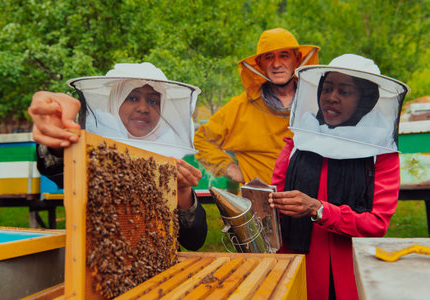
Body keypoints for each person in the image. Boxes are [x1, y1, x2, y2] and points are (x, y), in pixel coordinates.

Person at [269, 54, 409, 300]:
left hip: (349, 273)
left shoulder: (381, 154)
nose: (331, 97)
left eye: (345, 92)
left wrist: (319, 209)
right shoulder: (299, 142)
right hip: (295, 265)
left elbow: (377, 223)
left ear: (365, 100)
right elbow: (274, 204)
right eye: (327, 88)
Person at [28, 62, 207, 251]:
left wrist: (183, 192)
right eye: (132, 98)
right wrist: (59, 135)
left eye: (153, 101)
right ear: (115, 102)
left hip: (160, 267)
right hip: (99, 262)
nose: (143, 108)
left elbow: (194, 241)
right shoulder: (94, 150)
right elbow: (55, 166)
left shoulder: (169, 157)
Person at [194, 28, 320, 187]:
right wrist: (229, 168)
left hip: (307, 199)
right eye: (269, 57)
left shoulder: (317, 103)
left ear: (297, 59)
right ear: (260, 64)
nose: (276, 64)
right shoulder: (240, 106)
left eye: (284, 56)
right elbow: (201, 140)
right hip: (257, 201)